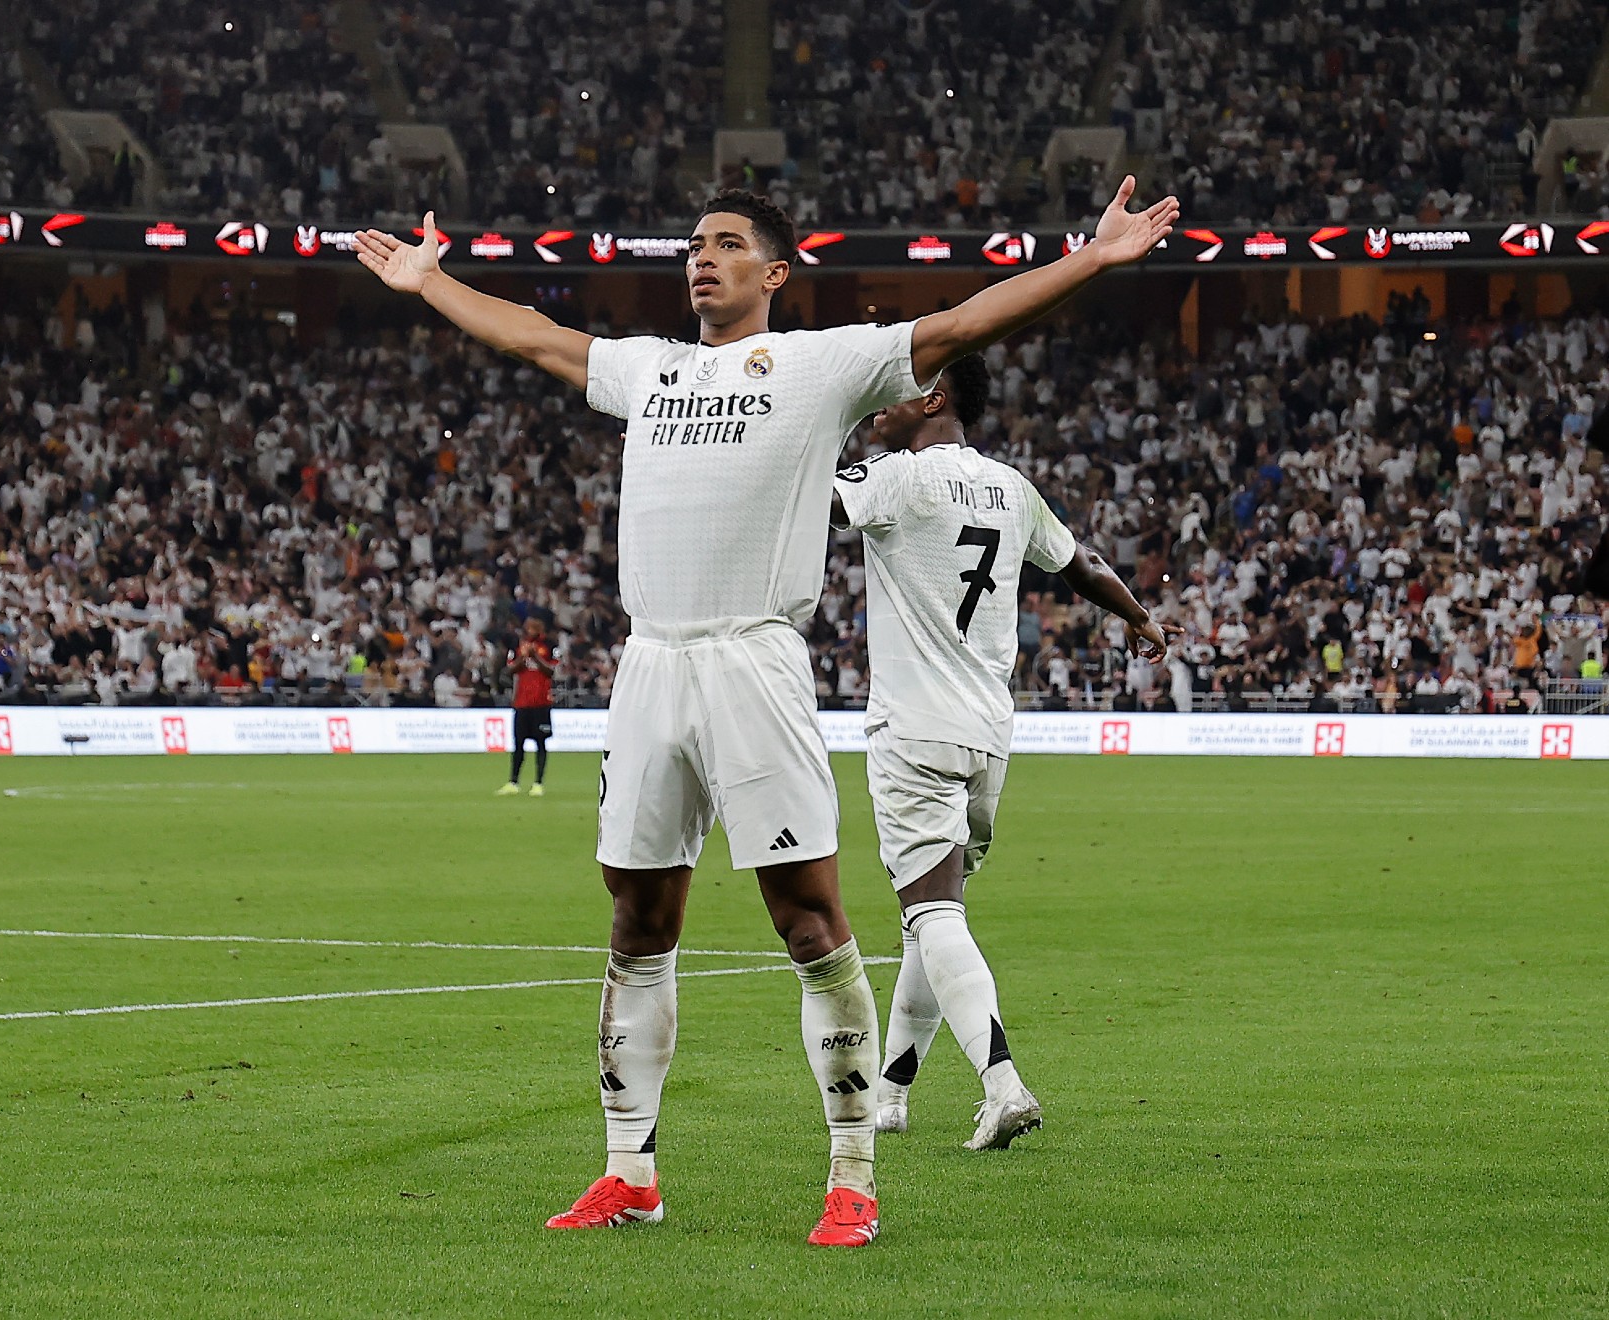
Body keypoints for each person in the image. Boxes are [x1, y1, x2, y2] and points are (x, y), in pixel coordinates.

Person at [353, 176, 1178, 1246]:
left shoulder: (821, 363)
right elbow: (537, 338)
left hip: (755, 662)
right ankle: (629, 1172)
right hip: (649, 668)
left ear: (775, 273)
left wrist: (1091, 260)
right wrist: (432, 282)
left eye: (729, 243)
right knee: (637, 924)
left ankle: (851, 1178)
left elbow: (968, 320)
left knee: (810, 923)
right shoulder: (651, 371)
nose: (703, 257)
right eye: (695, 243)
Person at [830, 353, 1180, 1150]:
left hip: (913, 728)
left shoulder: (898, 478)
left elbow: (814, 501)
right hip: (988, 735)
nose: (882, 400)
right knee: (934, 916)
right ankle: (890, 1092)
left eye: (897, 387)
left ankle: (1003, 1083)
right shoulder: (1010, 487)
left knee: (932, 912)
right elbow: (1081, 563)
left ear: (934, 398)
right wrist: (1141, 618)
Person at [498, 617, 556, 796]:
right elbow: (509, 671)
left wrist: (535, 657)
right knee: (518, 743)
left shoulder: (549, 646)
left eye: (532, 627)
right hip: (521, 702)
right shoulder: (517, 646)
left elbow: (551, 671)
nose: (528, 630)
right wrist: (523, 658)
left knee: (541, 742)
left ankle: (538, 783)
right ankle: (513, 782)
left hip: (541, 702)